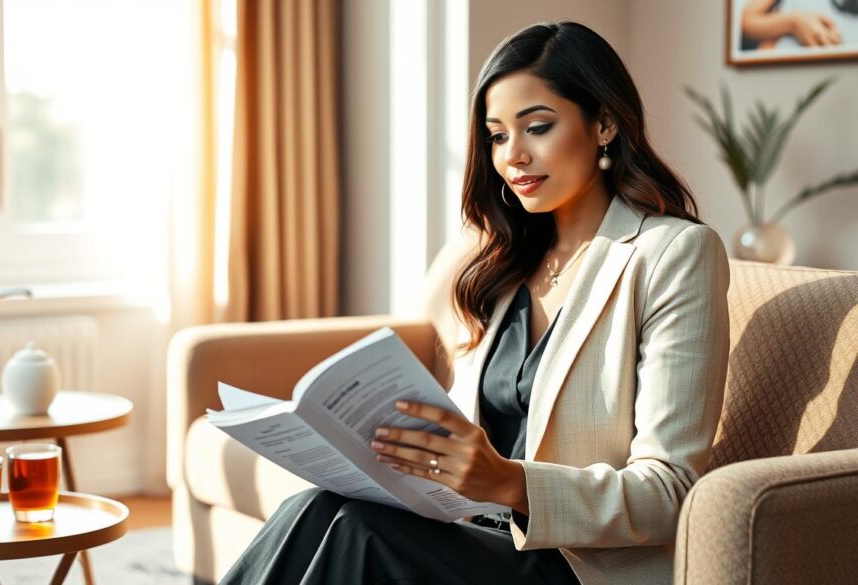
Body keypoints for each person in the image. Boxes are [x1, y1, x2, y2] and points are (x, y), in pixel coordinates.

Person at [220, 20, 730, 585]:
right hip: (477, 531)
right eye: (496, 135)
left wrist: (508, 482)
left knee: (358, 535)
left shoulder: (673, 253)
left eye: (537, 127)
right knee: (314, 507)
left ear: (604, 123)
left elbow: (669, 491)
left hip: (574, 565)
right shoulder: (507, 258)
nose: (514, 156)